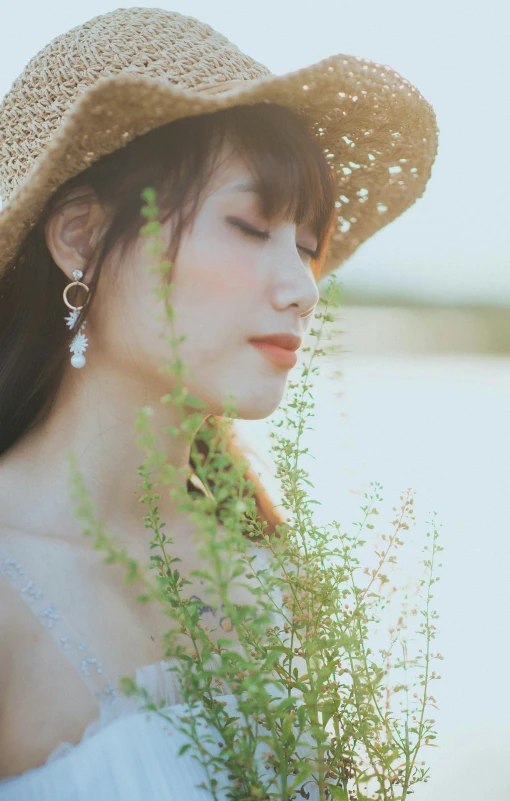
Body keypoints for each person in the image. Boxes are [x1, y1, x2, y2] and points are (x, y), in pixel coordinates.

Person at [0, 7, 438, 799]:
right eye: (249, 224)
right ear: (81, 239)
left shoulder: (277, 575)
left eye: (308, 245)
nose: (303, 288)